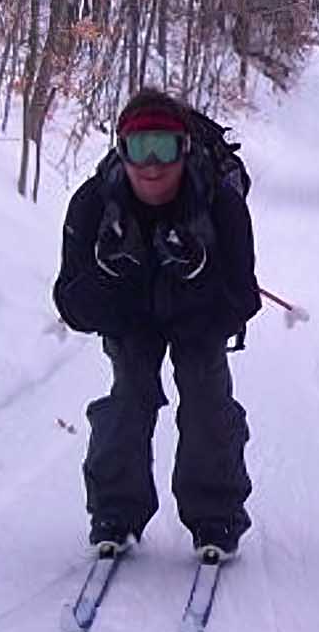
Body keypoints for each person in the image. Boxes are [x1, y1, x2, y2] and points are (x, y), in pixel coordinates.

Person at [53, 88, 261, 560]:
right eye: (138, 148)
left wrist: (197, 272)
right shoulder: (92, 205)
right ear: (120, 151)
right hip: (130, 317)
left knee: (207, 398)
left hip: (197, 319)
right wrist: (109, 275)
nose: (151, 164)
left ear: (184, 149)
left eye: (164, 148)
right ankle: (115, 511)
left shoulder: (220, 204)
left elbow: (242, 299)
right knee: (130, 395)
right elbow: (71, 303)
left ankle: (216, 515)